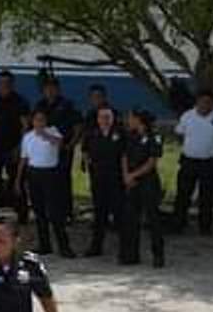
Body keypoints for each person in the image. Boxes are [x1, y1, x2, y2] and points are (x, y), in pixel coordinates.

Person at [16, 108, 76, 258]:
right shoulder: (28, 137)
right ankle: (45, 244)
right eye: (36, 120)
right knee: (39, 211)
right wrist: (18, 179)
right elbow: (24, 159)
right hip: (34, 173)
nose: (39, 122)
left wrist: (45, 134)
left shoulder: (53, 131)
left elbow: (59, 143)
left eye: (42, 119)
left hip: (50, 174)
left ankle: (64, 246)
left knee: (55, 212)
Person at [169, 89, 213, 236]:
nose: (205, 105)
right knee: (183, 194)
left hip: (210, 162)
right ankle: (178, 224)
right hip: (189, 160)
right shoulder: (187, 116)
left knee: (207, 196)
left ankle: (205, 227)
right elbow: (179, 134)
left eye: (208, 103)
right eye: (202, 102)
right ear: (197, 102)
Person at [117, 108, 167, 268]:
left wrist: (134, 175)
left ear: (139, 120)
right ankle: (130, 255)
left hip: (148, 182)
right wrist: (126, 175)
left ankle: (158, 255)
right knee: (130, 219)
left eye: (131, 118)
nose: (128, 120)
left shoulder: (154, 137)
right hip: (131, 181)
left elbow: (152, 162)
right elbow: (124, 156)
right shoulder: (129, 135)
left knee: (153, 219)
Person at [0, 71, 31, 223]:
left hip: (13, 147)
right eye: (1, 82)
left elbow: (25, 126)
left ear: (12, 84)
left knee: (17, 181)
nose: (4, 85)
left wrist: (21, 147)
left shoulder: (20, 101)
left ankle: (22, 213)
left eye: (7, 82)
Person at [81, 104, 127, 257]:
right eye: (102, 117)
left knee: (119, 214)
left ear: (113, 118)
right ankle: (96, 247)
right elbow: (85, 151)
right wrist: (89, 166)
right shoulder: (91, 134)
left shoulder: (121, 134)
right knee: (99, 213)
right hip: (98, 178)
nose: (105, 120)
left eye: (108, 117)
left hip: (116, 178)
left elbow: (124, 156)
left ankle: (124, 248)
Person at [37, 76, 82, 220]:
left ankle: (66, 213)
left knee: (62, 181)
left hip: (63, 149)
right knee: (46, 181)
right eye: (47, 89)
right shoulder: (40, 105)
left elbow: (78, 126)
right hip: (45, 150)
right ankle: (49, 211)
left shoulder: (67, 105)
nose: (50, 91)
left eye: (53, 88)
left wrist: (72, 144)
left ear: (58, 89)